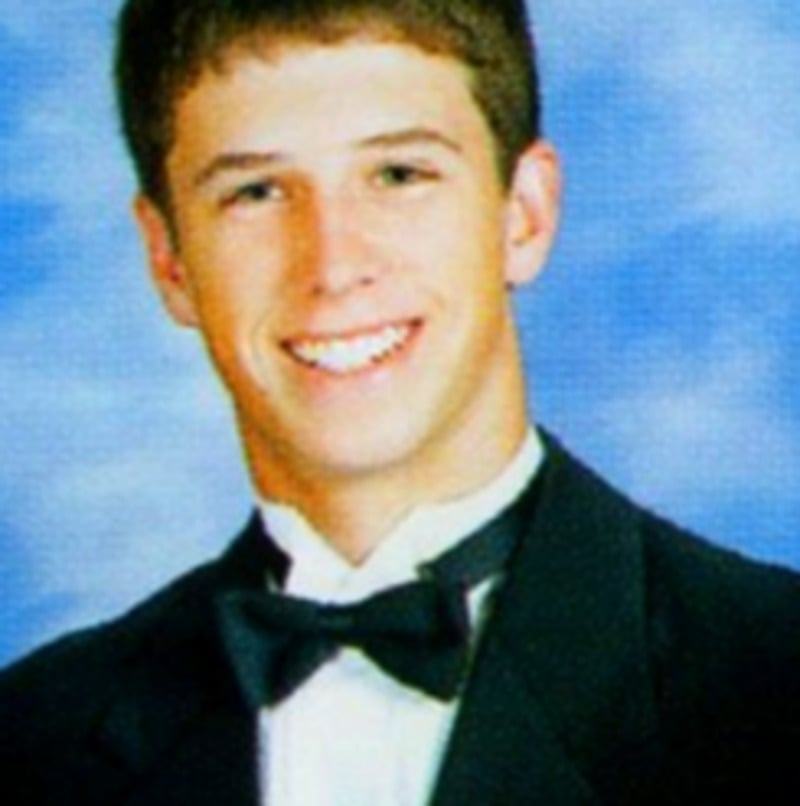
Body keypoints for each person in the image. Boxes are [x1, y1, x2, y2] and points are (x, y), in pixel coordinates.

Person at [2, 0, 799, 803]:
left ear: (523, 213)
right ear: (168, 259)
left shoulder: (775, 686)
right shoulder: (34, 737)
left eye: (398, 175)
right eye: (256, 191)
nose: (334, 265)